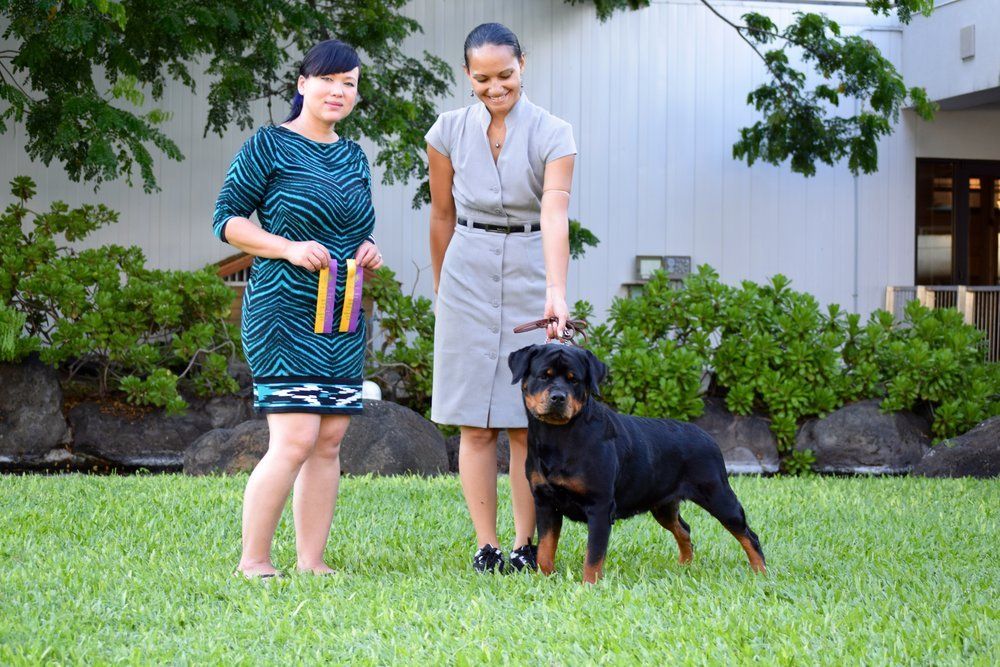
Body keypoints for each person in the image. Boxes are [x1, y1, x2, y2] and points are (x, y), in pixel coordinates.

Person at [212, 39, 382, 578]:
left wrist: (367, 249)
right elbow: (227, 220)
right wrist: (286, 247)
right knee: (295, 438)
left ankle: (312, 561)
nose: (338, 90)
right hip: (281, 311)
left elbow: (353, 227)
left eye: (349, 83)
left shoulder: (354, 155)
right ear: (303, 84)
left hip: (341, 313)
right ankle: (254, 560)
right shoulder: (269, 144)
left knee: (329, 440)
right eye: (328, 79)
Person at [426, 22, 577, 573]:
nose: (496, 87)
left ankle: (523, 543)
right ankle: (485, 544)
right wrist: (445, 288)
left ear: (524, 65)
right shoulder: (445, 131)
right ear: (467, 75)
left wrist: (555, 293)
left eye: (506, 75)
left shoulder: (555, 133)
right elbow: (441, 215)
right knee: (473, 420)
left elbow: (555, 212)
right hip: (467, 265)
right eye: (483, 77)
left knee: (521, 420)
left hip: (532, 266)